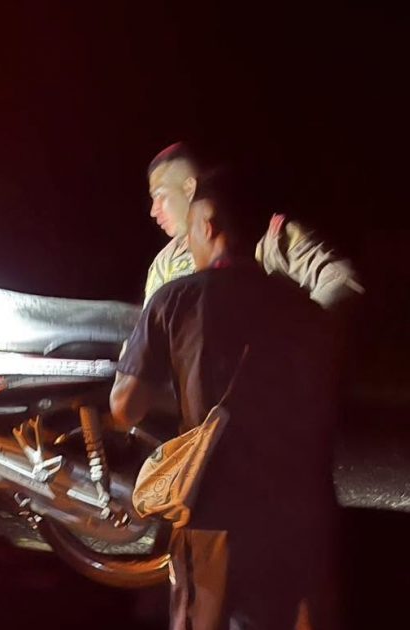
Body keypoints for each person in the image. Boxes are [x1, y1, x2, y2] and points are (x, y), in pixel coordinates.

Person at [111, 171, 341, 629]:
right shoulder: (302, 306)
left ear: (207, 225)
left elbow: (125, 408)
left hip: (215, 516)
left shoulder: (174, 300)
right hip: (299, 516)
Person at [142, 143, 363, 311]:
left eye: (160, 195)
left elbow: (341, 281)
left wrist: (293, 338)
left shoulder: (268, 240)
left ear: (189, 188)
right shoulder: (162, 264)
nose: (154, 210)